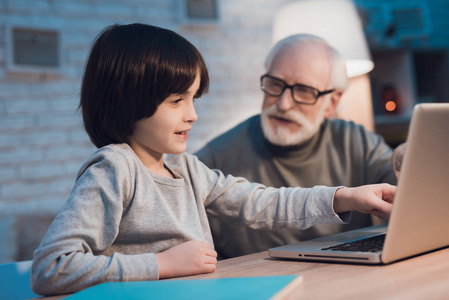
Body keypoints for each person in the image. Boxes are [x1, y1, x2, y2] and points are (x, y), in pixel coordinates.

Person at [30, 24, 395, 296]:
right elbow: (52, 267)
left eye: (193, 100)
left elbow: (261, 202)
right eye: (177, 101)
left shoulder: (186, 169)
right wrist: (162, 264)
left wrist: (342, 197)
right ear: (128, 101)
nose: (192, 115)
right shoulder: (114, 169)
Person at [195, 34, 398, 259]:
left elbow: (407, 187)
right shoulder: (215, 159)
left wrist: (406, 159)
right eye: (275, 84)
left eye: (303, 90)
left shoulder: (355, 141)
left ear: (332, 102)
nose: (283, 104)